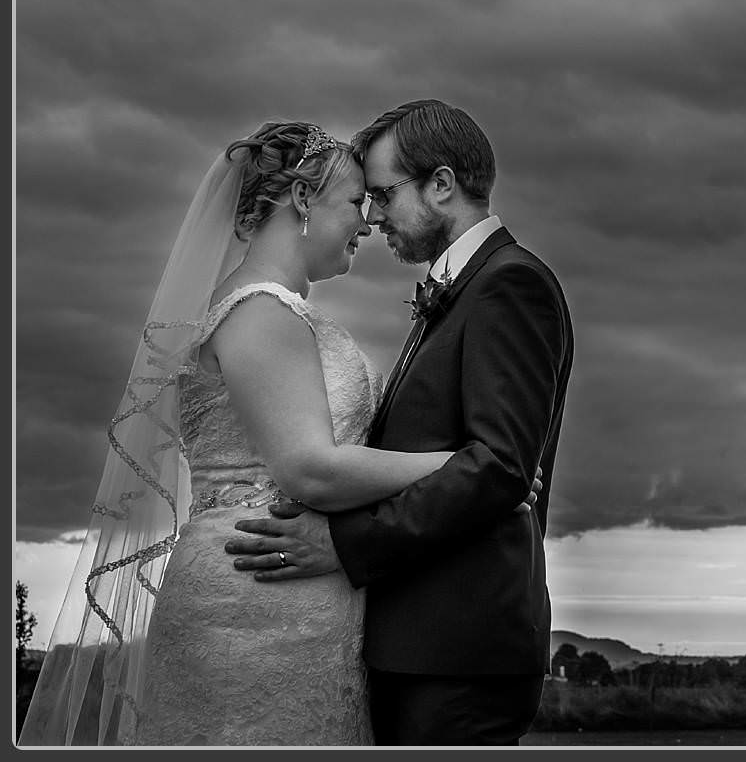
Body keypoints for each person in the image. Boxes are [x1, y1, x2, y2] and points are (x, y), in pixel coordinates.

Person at [15, 120, 532, 745]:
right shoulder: (262, 311)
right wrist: (463, 465)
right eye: (354, 202)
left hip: (289, 593)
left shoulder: (270, 308)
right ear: (303, 200)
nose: (367, 222)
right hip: (259, 600)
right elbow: (309, 468)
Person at [222, 99, 576, 746]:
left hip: (458, 654)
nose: (372, 214)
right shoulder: (458, 292)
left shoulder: (509, 286)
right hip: (416, 646)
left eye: (384, 194)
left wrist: (346, 545)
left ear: (441, 184)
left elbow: (498, 469)